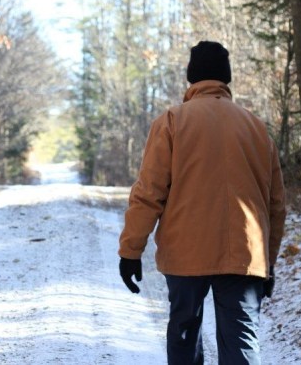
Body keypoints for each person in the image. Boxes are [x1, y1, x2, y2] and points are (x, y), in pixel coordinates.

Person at [118, 41, 286, 365]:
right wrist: (268, 261)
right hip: (245, 252)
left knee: (184, 335)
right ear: (227, 77)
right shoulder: (256, 128)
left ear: (191, 76)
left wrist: (130, 250)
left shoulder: (172, 122)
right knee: (242, 341)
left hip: (185, 253)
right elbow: (276, 204)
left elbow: (149, 192)